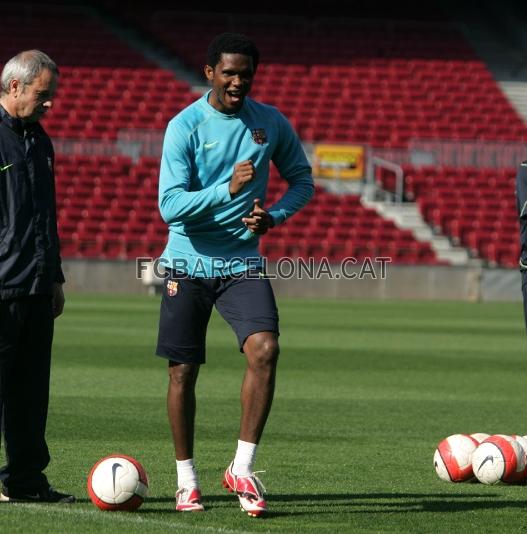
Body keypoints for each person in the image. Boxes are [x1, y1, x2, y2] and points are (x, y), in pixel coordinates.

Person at [156, 32, 314, 516]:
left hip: (241, 261)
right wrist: (226, 190)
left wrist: (275, 218)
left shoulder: (269, 122)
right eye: (228, 72)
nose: (237, 81)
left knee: (266, 349)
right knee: (184, 371)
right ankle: (187, 479)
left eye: (245, 73)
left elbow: (302, 181)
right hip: (187, 260)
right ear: (210, 73)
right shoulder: (183, 126)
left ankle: (241, 468)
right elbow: (170, 205)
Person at [0, 50, 74, 503]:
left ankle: (26, 480)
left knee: (30, 393)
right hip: (2, 284)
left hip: (36, 285)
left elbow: (47, 216)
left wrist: (56, 277)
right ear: (15, 87)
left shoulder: (40, 140)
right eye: (43, 95)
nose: (50, 104)